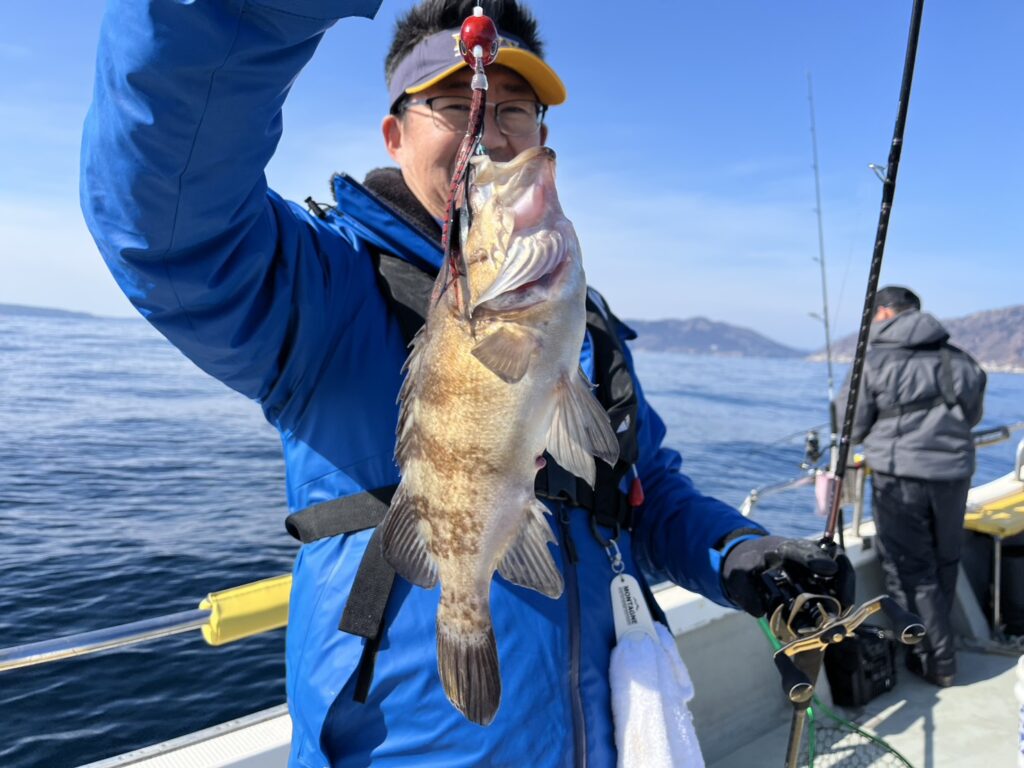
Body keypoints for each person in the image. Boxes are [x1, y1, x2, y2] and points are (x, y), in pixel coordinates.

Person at [81, 0, 851, 765]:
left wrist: (736, 551)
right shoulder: (324, 291)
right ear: (396, 134)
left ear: (542, 136)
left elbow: (643, 493)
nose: (491, 130)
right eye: (458, 105)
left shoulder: (583, 327)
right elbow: (167, 217)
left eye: (517, 109)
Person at [838, 285, 986, 688]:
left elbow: (851, 424)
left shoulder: (873, 361)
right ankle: (940, 651)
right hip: (954, 474)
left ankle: (937, 661)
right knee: (945, 560)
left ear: (885, 314)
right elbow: (971, 415)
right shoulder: (962, 360)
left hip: (899, 476)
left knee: (910, 569)